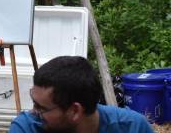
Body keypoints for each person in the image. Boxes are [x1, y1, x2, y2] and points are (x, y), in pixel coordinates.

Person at [10, 56, 153, 133]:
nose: (33, 111)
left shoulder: (132, 127)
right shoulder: (27, 127)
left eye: (41, 107)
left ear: (75, 111)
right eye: (34, 102)